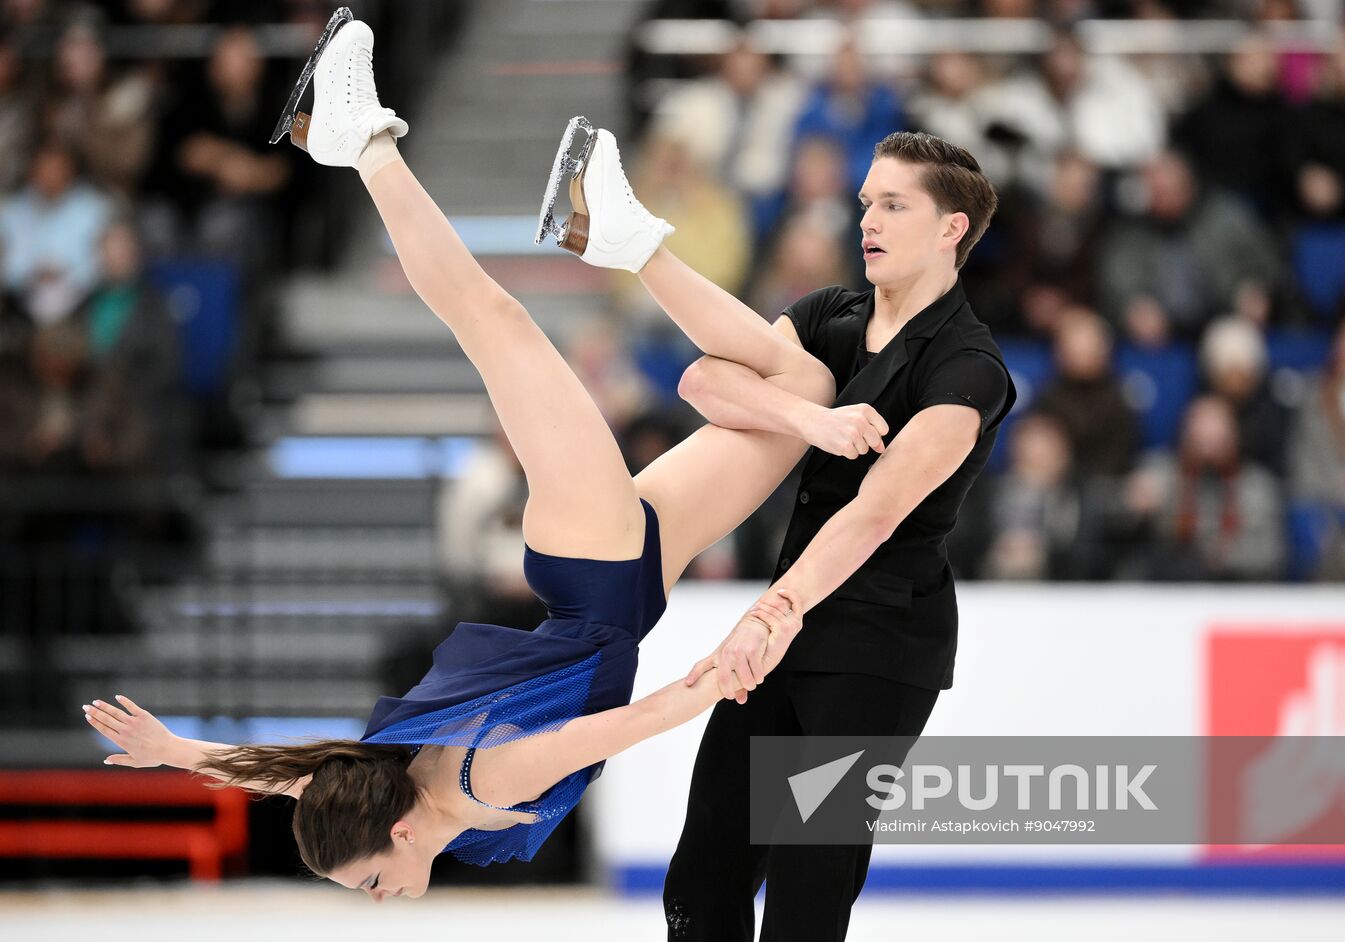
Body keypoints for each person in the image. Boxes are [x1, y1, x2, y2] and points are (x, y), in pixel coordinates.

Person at [81, 15, 856, 899]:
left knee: (497, 324)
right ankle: (620, 243)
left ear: (399, 832)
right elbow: (305, 776)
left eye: (374, 883)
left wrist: (720, 677)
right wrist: (182, 753)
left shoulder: (473, 785)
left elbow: (629, 726)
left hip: (598, 567)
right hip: (632, 580)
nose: (386, 898)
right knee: (805, 391)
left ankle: (365, 143)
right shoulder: (398, 792)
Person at [572, 128, 1016, 935]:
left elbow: (874, 514)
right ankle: (631, 243)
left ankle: (632, 241)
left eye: (892, 204)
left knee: (809, 891)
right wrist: (814, 417)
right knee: (704, 874)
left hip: (878, 649)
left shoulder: (968, 368)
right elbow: (705, 379)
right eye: (864, 203)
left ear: (951, 228)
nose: (866, 222)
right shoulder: (831, 316)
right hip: (788, 632)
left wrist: (772, 613)